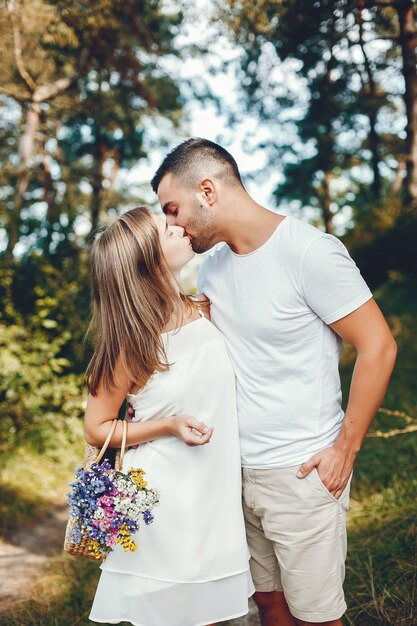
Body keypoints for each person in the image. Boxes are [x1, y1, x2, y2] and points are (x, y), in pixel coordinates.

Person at [150, 137, 398, 626]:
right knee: (267, 603)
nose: (171, 225)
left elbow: (378, 346)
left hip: (301, 472)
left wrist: (345, 448)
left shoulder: (309, 252)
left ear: (207, 190)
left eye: (172, 209)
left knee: (317, 615)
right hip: (233, 471)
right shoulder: (213, 268)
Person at [83, 206, 254, 626]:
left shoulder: (204, 310)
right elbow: (96, 427)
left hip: (213, 498)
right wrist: (168, 424)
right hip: (163, 503)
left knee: (208, 616)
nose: (178, 227)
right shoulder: (132, 343)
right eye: (166, 229)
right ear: (147, 259)